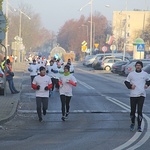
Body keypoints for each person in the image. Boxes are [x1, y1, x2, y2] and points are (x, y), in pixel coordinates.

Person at [124, 61, 150, 132]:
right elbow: (126, 82)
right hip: (133, 95)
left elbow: (149, 80)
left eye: (139, 65)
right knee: (133, 111)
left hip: (142, 94)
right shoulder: (131, 74)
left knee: (139, 111)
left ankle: (139, 126)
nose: (138, 67)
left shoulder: (145, 74)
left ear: (141, 66)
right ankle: (132, 123)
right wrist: (130, 86)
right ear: (135, 66)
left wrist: (147, 85)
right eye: (137, 65)